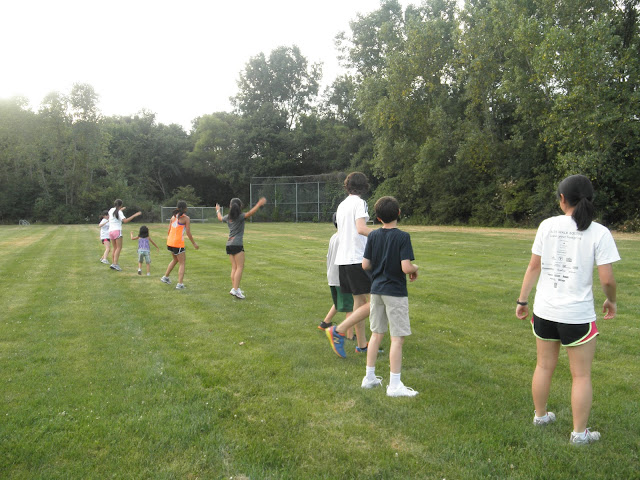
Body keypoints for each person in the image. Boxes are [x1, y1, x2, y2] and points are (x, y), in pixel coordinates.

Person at [516, 174, 620, 445]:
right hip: (577, 316)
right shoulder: (600, 232)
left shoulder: (547, 225)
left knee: (543, 366)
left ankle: (540, 416)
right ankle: (579, 434)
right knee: (581, 375)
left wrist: (522, 300)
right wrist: (611, 300)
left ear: (562, 199)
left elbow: (533, 266)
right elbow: (607, 280)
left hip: (545, 311)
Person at [359, 196, 419, 397]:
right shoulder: (403, 237)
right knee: (397, 338)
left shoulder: (373, 236)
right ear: (399, 213)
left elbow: (365, 265)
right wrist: (415, 268)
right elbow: (406, 267)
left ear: (377, 218)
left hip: (376, 290)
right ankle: (394, 385)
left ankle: (369, 378)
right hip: (395, 292)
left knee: (376, 334)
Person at [325, 172, 372, 357]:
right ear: (364, 186)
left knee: (359, 303)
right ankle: (338, 330)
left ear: (348, 186)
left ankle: (362, 345)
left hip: (343, 261)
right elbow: (361, 229)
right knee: (378, 301)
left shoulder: (342, 204)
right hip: (357, 260)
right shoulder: (360, 203)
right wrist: (382, 235)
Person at [216, 196, 266, 299]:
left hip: (229, 244)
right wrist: (258, 204)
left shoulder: (227, 217)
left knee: (234, 267)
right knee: (240, 267)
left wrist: (217, 210)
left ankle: (235, 288)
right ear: (240, 206)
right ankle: (235, 289)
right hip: (237, 244)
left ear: (230, 206)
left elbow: (220, 218)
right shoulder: (240, 217)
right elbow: (250, 213)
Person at [318, 213, 354, 340]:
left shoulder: (334, 237)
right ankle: (350, 335)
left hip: (332, 276)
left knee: (339, 300)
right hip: (342, 277)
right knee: (351, 306)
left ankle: (325, 323)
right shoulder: (345, 238)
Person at [160, 200, 199, 289]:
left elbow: (168, 231)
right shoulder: (186, 218)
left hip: (170, 242)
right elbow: (188, 232)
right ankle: (180, 284)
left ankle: (165, 277)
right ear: (185, 208)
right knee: (182, 263)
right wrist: (194, 243)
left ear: (177, 208)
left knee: (175, 260)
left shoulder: (173, 217)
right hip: (178, 243)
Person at [108, 199, 142, 271]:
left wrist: (121, 209)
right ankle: (115, 264)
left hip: (110, 231)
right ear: (121, 205)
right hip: (117, 231)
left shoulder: (111, 210)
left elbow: (115, 212)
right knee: (119, 248)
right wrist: (134, 215)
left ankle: (113, 263)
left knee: (115, 248)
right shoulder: (119, 212)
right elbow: (125, 221)